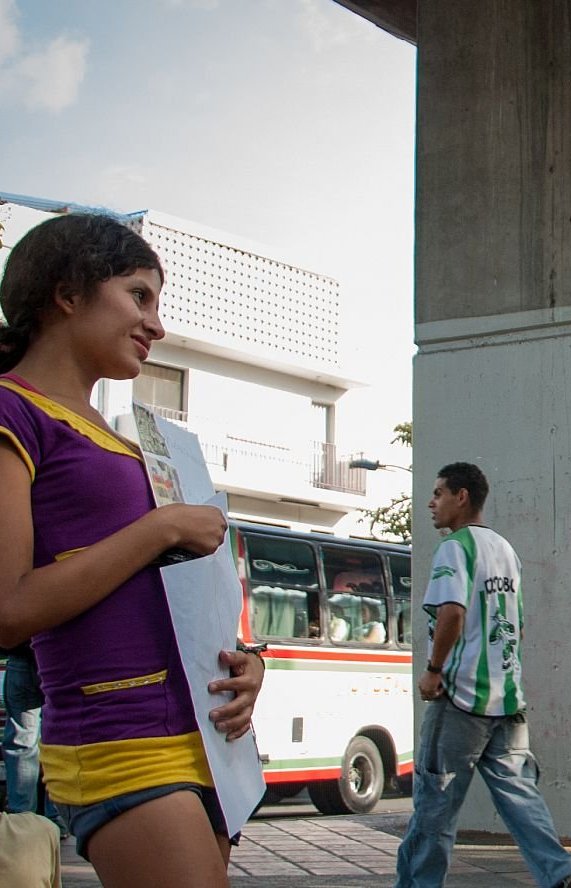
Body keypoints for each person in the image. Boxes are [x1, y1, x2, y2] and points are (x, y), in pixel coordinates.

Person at [0, 213, 265, 887]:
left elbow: (170, 594)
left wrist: (244, 665)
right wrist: (163, 528)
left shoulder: (131, 440)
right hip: (120, 736)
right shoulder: (14, 412)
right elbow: (8, 609)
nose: (156, 324)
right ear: (67, 292)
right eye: (138, 295)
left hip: (207, 736)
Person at [395, 462, 571, 888]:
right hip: (508, 698)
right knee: (521, 797)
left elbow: (451, 613)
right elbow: (515, 622)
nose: (431, 502)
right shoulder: (505, 549)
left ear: (462, 497)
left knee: (435, 809)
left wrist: (432, 670)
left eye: (439, 493)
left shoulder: (454, 548)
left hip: (460, 699)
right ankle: (560, 873)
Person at [2, 643, 64, 832]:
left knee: (22, 743)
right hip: (58, 659)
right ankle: (56, 817)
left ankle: (22, 819)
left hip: (21, 657)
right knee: (57, 739)